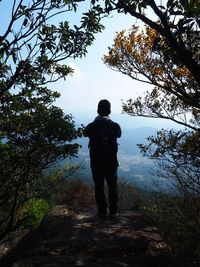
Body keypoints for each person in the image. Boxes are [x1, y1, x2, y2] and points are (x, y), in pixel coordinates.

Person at [84, 99, 122, 218]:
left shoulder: (91, 126)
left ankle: (102, 210)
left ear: (97, 110)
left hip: (96, 162)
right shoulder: (115, 126)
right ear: (110, 111)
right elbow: (119, 134)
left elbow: (85, 133)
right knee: (112, 185)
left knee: (99, 185)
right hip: (111, 161)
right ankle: (114, 211)